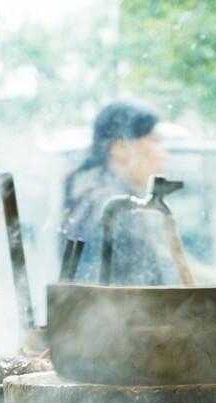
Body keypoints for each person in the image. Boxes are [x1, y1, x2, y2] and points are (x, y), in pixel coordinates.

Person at [60, 100, 180, 286]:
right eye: (155, 140)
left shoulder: (104, 198)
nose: (164, 154)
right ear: (120, 148)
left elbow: (168, 259)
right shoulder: (114, 207)